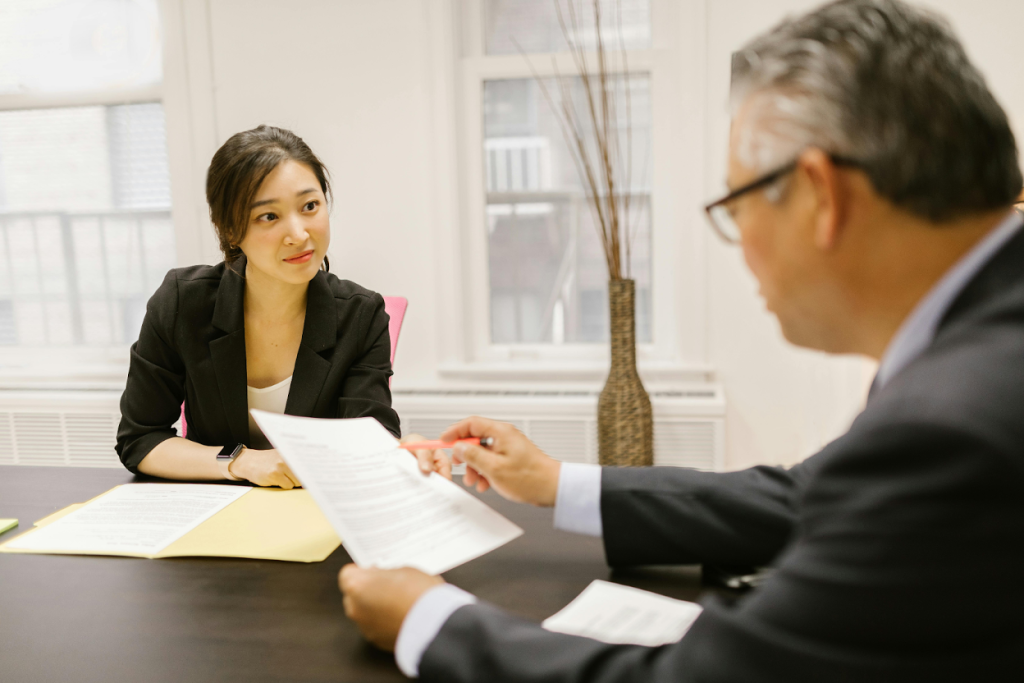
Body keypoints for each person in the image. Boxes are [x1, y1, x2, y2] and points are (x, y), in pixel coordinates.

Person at [338, 0, 1024, 679]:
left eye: (737, 203)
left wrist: (430, 620)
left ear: (821, 194)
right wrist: (557, 482)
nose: (741, 246)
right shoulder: (982, 343)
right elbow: (800, 499)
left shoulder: (955, 421)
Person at [116, 125, 447, 488]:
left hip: (314, 513)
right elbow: (141, 439)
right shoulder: (182, 302)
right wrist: (241, 462)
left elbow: (368, 439)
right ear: (229, 230)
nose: (300, 234)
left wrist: (404, 449)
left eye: (310, 206)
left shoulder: (361, 315)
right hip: (212, 512)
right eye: (269, 216)